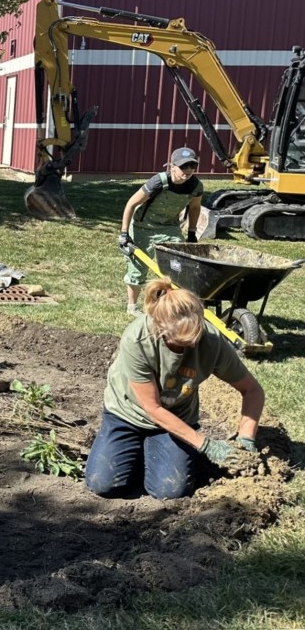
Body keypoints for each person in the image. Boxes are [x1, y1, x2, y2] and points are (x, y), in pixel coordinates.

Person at [84, 279, 264, 500]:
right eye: (180, 342)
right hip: (128, 413)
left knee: (171, 491)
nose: (189, 347)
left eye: (193, 340)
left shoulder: (211, 341)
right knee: (103, 484)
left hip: (176, 416)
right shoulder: (138, 339)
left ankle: (156, 453)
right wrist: (207, 446)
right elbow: (152, 408)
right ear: (160, 328)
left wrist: (246, 438)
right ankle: (131, 448)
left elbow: (252, 390)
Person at [118, 147, 204, 315]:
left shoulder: (195, 186)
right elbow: (131, 204)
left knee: (178, 266)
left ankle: (170, 304)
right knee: (137, 267)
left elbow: (195, 207)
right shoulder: (159, 182)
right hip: (143, 227)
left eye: (192, 166)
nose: (188, 170)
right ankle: (132, 307)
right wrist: (124, 233)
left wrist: (192, 233)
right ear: (172, 166)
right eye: (183, 166)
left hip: (169, 227)